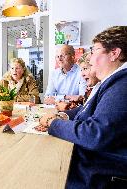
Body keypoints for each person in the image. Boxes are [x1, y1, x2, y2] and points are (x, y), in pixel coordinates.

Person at [39, 26, 127, 188]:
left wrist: (53, 124)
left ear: (114, 53)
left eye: (94, 51)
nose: (91, 60)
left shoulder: (122, 85)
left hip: (97, 173)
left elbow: (94, 134)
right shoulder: (113, 82)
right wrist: (64, 116)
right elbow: (86, 109)